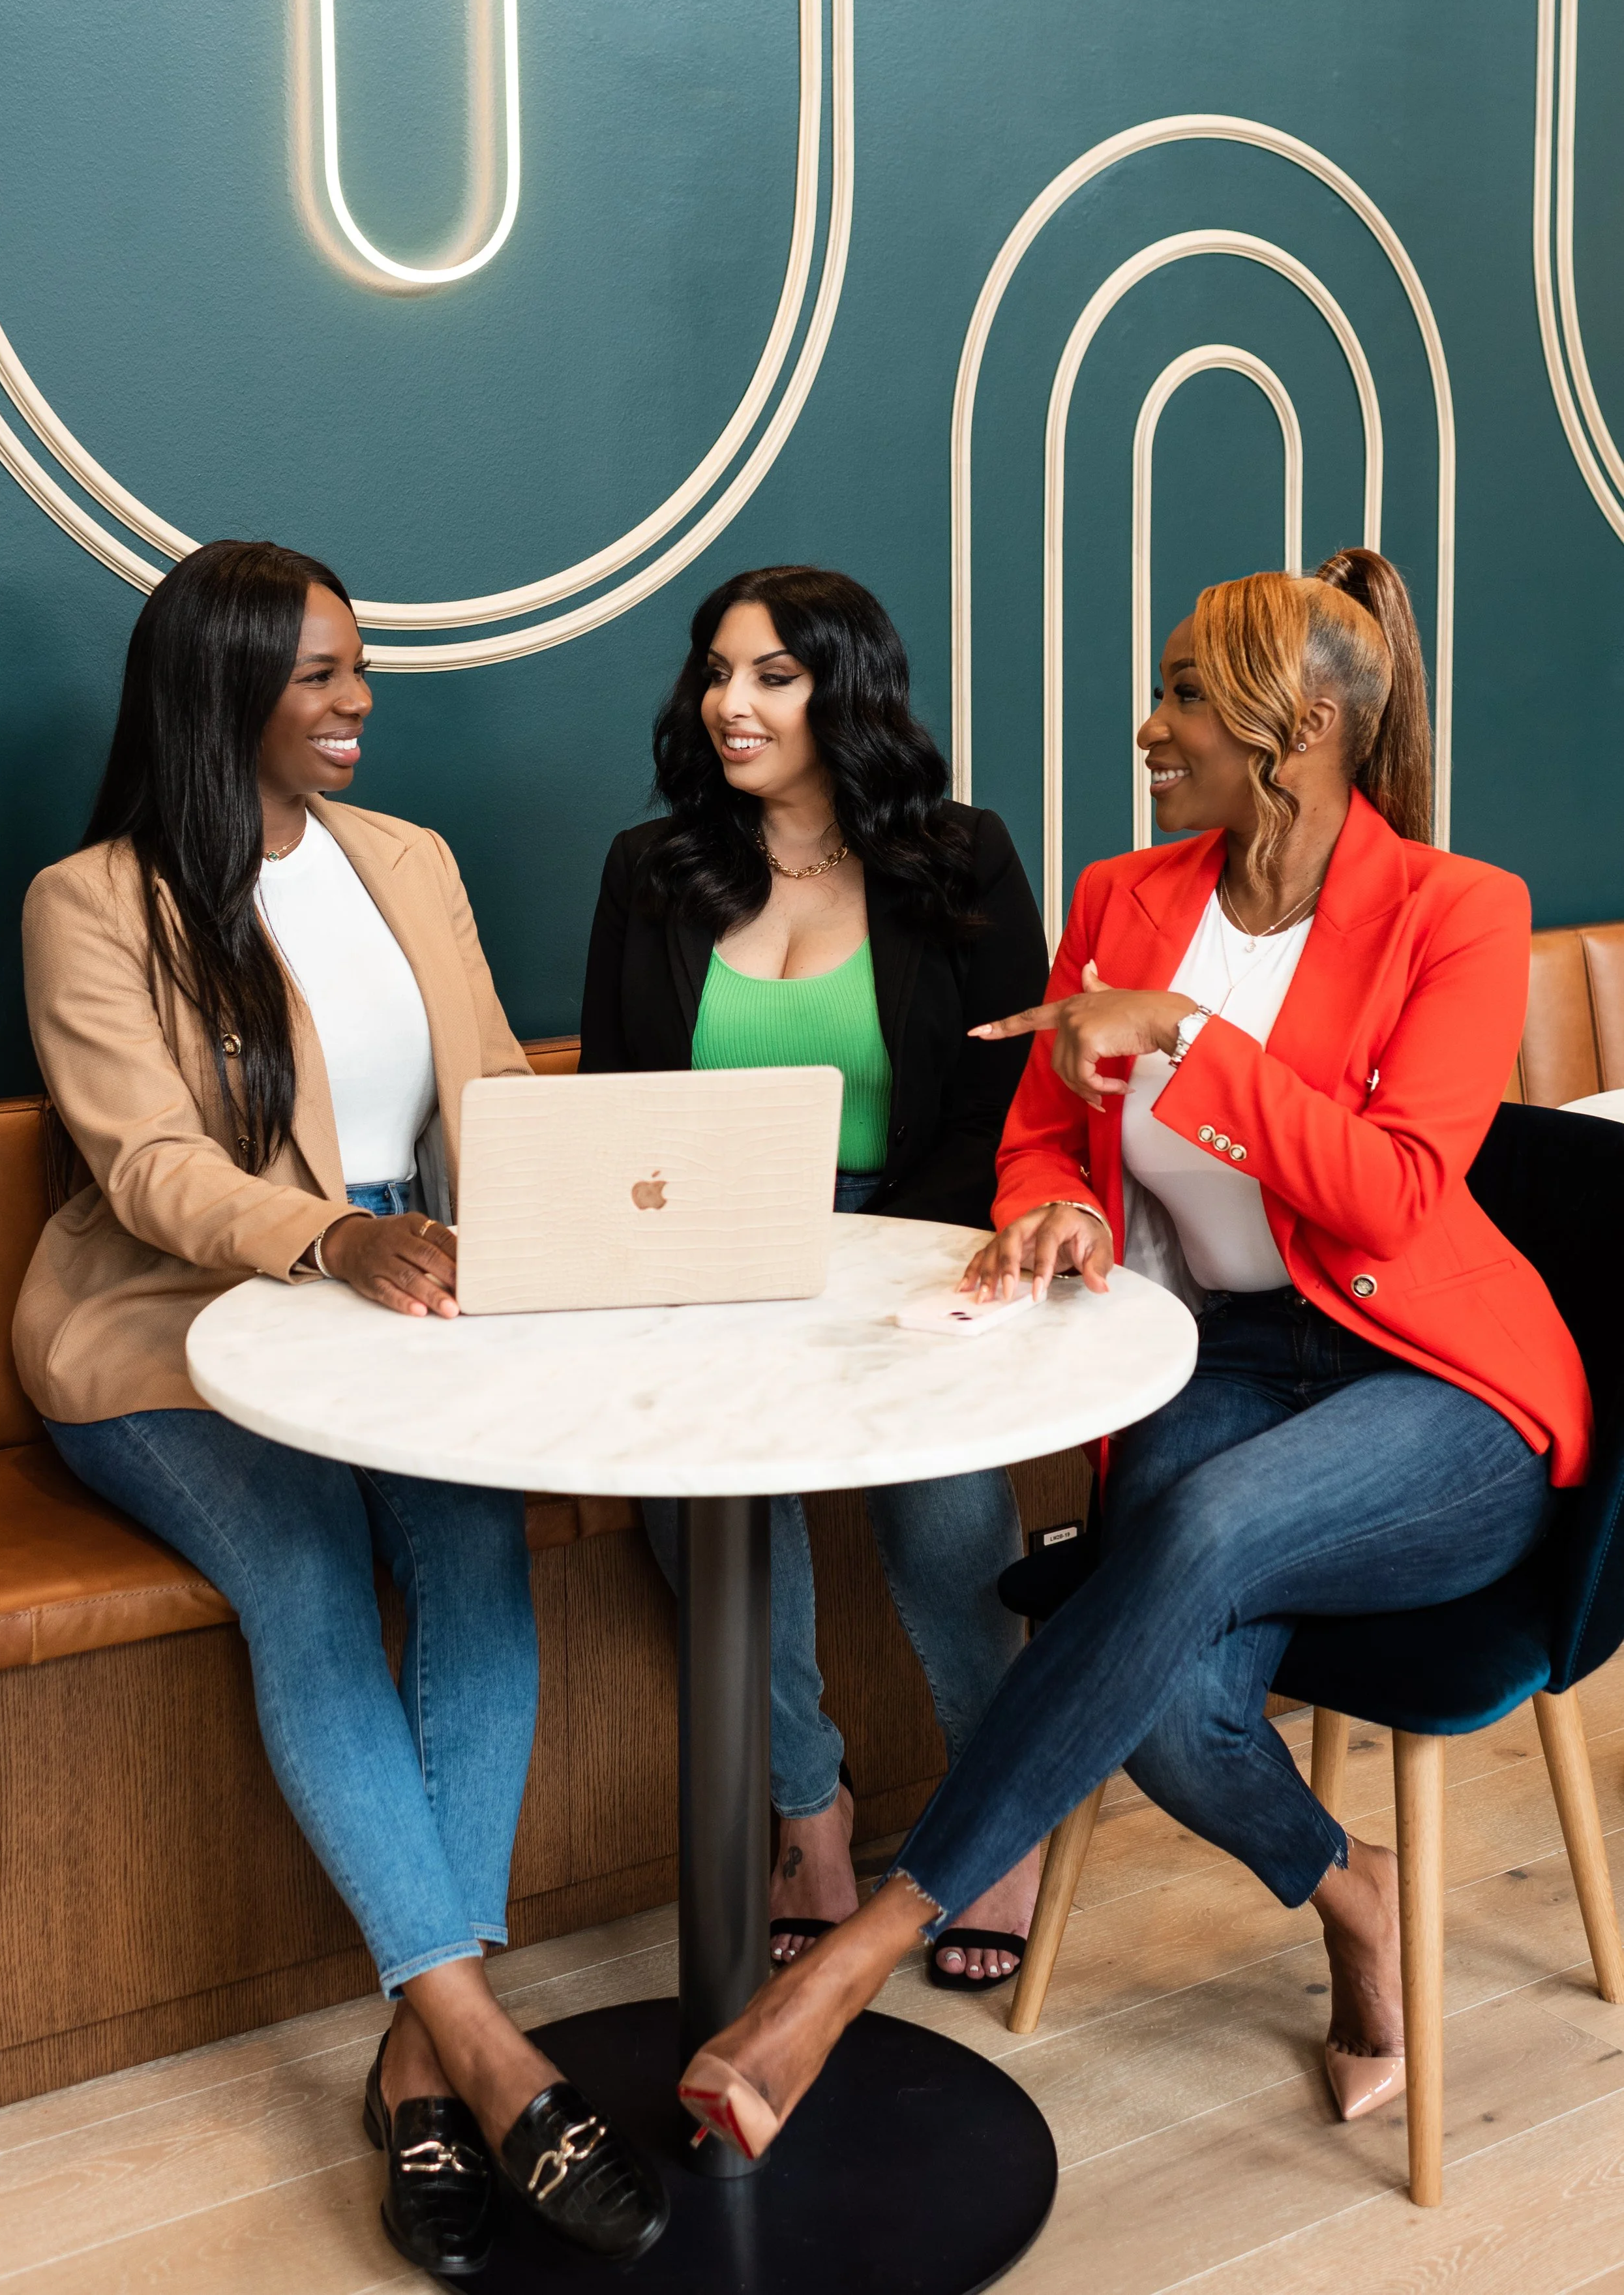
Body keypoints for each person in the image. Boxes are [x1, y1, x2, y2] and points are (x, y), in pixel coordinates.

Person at [669, 548, 1591, 2162]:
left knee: (1184, 1542)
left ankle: (856, 1962)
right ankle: (1353, 1891)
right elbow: (1040, 1130)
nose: (1149, 724)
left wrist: (1183, 1035)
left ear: (1295, 726)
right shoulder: (1124, 894)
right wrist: (1060, 1217)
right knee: (1158, 1696)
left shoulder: (1459, 911)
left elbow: (1391, 1188)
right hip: (1216, 1358)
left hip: (1440, 1389)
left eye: (1180, 692)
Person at [17, 542, 667, 2277]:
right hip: (175, 1333)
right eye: (317, 672)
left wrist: (565, 1238)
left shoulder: (409, 862)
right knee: (305, 1574)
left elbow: (485, 1097)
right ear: (219, 685)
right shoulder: (93, 899)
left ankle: (415, 2050)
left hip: (402, 1304)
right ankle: (494, 2050)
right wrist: (334, 1232)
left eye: (358, 665)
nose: (358, 697)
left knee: (475, 1555)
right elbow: (145, 1166)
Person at [581, 564, 1051, 1984]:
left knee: (946, 1501)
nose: (731, 702)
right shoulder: (650, 869)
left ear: (843, 687)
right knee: (696, 1506)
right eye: (716, 671)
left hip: (913, 1238)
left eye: (772, 674)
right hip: (710, 1255)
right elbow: (614, 1101)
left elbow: (999, 1099)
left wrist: (870, 1265)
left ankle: (997, 1810)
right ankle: (809, 1811)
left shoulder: (956, 856)